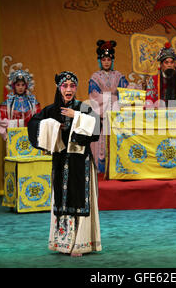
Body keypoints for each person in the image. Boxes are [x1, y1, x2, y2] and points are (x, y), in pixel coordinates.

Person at [28, 71, 102, 257]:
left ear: (76, 88)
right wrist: (52, 125)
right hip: (61, 162)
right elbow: (33, 125)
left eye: (72, 86)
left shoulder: (83, 108)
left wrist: (76, 116)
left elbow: (97, 126)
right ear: (59, 88)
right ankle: (63, 242)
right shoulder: (51, 110)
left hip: (80, 163)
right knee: (62, 199)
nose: (68, 89)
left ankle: (80, 243)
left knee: (79, 199)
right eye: (65, 86)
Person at [88, 40, 129, 173]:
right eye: (104, 59)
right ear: (100, 61)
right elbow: (94, 96)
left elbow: (126, 92)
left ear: (112, 61)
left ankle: (118, 169)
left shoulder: (118, 76)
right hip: (102, 117)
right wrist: (114, 100)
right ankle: (102, 170)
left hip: (116, 117)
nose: (106, 62)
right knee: (101, 144)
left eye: (108, 59)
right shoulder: (95, 77)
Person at [0, 63, 41, 141]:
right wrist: (15, 123)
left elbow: (39, 120)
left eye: (23, 85)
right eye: (18, 85)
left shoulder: (33, 103)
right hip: (13, 138)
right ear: (13, 86)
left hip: (30, 138)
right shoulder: (8, 104)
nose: (20, 87)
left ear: (26, 86)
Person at [145, 42, 176, 108]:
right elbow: (149, 99)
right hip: (160, 113)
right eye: (166, 62)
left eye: (172, 62)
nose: (169, 65)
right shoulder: (154, 80)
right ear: (161, 65)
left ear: (175, 65)